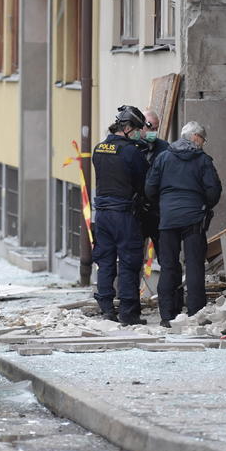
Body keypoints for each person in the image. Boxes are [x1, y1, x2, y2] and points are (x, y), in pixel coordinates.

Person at [144, 121, 222, 327]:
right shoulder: (202, 160)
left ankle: (167, 316)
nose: (203, 144)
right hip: (194, 219)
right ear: (195, 137)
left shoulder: (163, 157)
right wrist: (203, 205)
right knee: (195, 265)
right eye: (203, 139)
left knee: (168, 265)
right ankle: (196, 314)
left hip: (168, 219)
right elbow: (214, 190)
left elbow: (150, 188)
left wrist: (163, 205)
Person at [91, 105, 150, 325]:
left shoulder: (99, 148)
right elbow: (143, 182)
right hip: (124, 215)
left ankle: (106, 310)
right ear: (126, 128)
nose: (138, 133)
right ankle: (128, 313)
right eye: (136, 129)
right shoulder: (131, 151)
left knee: (105, 262)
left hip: (103, 215)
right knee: (128, 262)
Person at [132, 109, 170, 248]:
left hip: (156, 210)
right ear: (141, 126)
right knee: (134, 256)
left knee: (165, 253)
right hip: (136, 210)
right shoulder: (131, 147)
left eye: (156, 128)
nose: (153, 132)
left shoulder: (164, 148)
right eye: (150, 127)